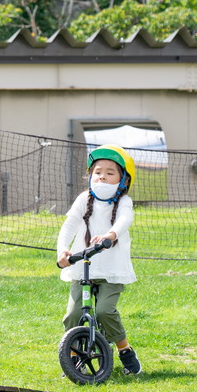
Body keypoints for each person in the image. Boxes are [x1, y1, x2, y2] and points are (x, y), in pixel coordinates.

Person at [57, 144, 142, 375]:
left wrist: (110, 235)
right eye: (98, 171)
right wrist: (63, 251)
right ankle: (72, 358)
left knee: (105, 311)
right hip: (83, 267)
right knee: (74, 314)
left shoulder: (123, 201)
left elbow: (124, 220)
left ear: (123, 179)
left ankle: (124, 349)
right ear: (90, 175)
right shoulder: (84, 199)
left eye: (110, 172)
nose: (103, 175)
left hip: (111, 269)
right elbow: (70, 224)